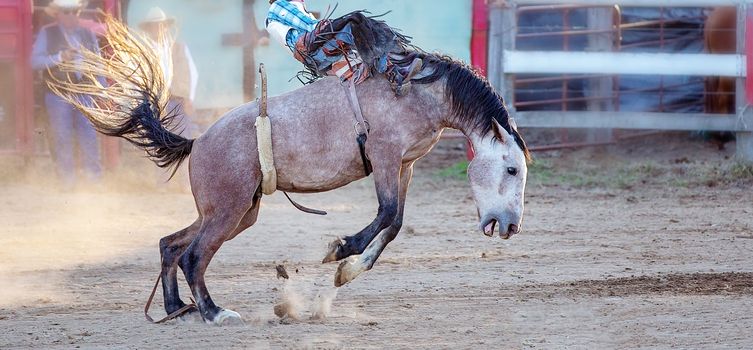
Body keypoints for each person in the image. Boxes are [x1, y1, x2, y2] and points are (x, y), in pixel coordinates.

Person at [265, 0, 423, 96]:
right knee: (356, 20)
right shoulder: (279, 5)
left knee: (367, 26)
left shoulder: (292, 6)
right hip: (313, 49)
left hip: (315, 50)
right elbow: (311, 27)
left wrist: (332, 25)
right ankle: (395, 69)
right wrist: (333, 24)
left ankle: (394, 67)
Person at [31, 0, 102, 190]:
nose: (71, 15)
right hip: (58, 94)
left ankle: (92, 180)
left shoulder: (88, 34)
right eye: (66, 11)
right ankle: (67, 181)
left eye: (74, 11)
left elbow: (99, 66)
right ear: (58, 14)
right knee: (62, 136)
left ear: (78, 13)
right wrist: (60, 57)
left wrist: (101, 92)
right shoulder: (48, 32)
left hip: (84, 93)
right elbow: (34, 62)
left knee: (88, 135)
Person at [138, 6, 199, 138]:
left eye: (161, 25)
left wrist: (189, 98)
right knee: (160, 140)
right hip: (155, 101)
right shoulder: (144, 51)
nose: (158, 28)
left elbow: (192, 74)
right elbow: (138, 79)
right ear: (149, 29)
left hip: (178, 100)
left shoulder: (179, 47)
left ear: (165, 27)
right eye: (154, 26)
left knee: (182, 138)